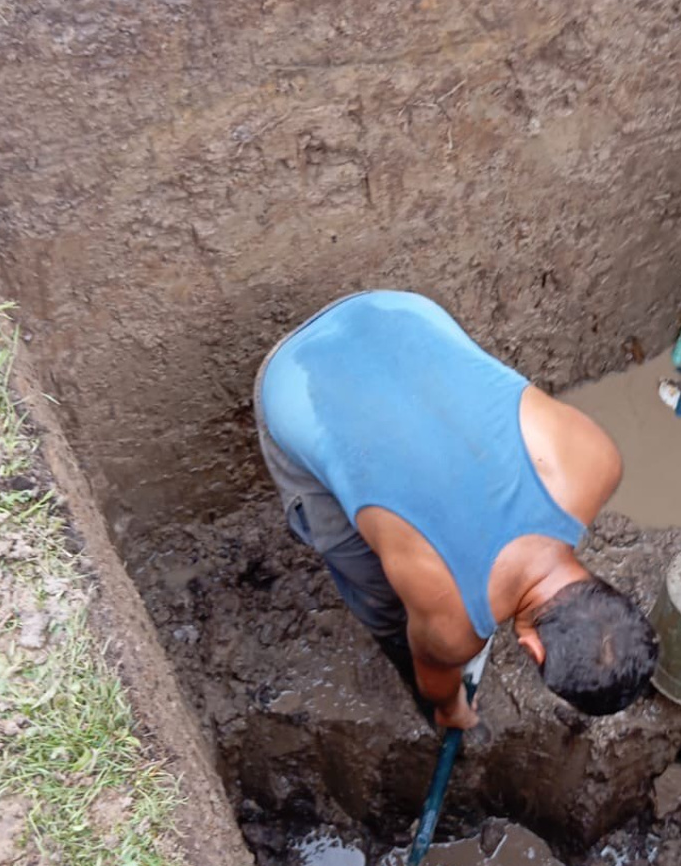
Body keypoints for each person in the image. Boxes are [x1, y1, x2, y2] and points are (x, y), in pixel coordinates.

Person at [254, 290, 659, 731]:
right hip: (293, 380)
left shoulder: (599, 463)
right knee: (385, 603)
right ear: (533, 651)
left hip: (390, 311)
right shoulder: (451, 626)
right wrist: (452, 711)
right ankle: (395, 639)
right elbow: (440, 685)